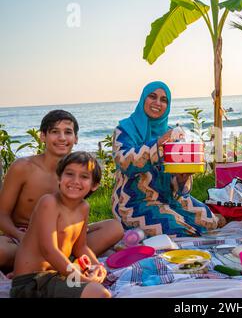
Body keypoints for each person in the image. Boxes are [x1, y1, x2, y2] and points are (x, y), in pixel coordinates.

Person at [0, 110, 124, 271]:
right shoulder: (23, 167)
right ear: (42, 136)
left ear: (76, 138)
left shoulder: (75, 174)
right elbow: (2, 215)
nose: (62, 138)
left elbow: (74, 213)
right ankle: (52, 263)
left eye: (68, 132)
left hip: (65, 239)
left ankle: (56, 262)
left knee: (114, 228)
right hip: (24, 237)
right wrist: (20, 236)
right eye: (54, 132)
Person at [112, 81, 223, 237]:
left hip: (169, 198)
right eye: (152, 97)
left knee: (209, 221)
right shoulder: (125, 130)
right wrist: (157, 145)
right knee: (179, 230)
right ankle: (135, 232)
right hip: (134, 203)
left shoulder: (171, 134)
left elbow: (177, 185)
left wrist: (181, 178)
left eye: (164, 100)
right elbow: (124, 162)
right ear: (143, 99)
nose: (158, 103)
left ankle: (154, 228)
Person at [10, 152, 111, 298]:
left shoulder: (84, 207)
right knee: (99, 293)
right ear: (59, 177)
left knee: (97, 285)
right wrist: (81, 279)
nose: (75, 181)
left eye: (84, 177)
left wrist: (98, 267)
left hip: (58, 275)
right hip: (32, 283)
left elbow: (80, 247)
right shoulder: (49, 202)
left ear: (94, 185)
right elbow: (48, 250)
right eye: (69, 174)